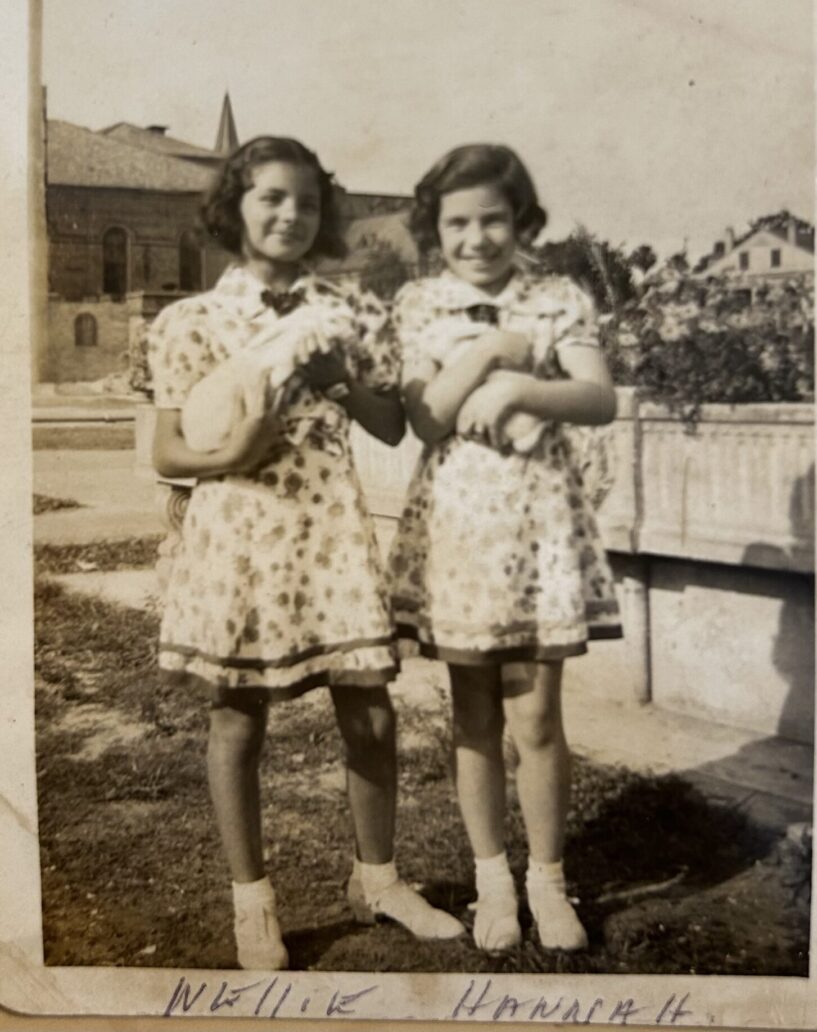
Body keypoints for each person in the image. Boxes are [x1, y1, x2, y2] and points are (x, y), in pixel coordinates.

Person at [147, 136, 464, 971]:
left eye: (308, 203)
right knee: (236, 718)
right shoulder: (189, 320)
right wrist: (234, 451)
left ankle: (378, 881)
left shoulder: (349, 314)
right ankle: (253, 903)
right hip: (238, 537)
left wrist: (335, 378)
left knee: (370, 712)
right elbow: (167, 451)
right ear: (236, 209)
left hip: (329, 533)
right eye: (271, 199)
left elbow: (390, 426)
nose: (290, 216)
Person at [389, 144, 622, 953]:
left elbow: (598, 397)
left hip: (536, 529)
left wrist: (528, 387)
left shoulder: (556, 299)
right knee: (475, 715)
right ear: (435, 228)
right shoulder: (421, 304)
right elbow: (425, 418)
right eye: (457, 222)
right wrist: (490, 354)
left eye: (493, 219)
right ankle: (493, 879)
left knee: (538, 714)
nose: (477, 237)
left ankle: (547, 880)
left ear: (521, 220)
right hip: (459, 532)